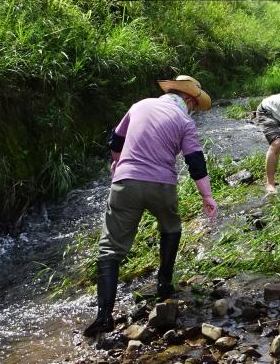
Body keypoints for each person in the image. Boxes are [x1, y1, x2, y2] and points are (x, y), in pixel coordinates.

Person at [83, 75, 218, 337]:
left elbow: (116, 140)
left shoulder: (139, 105)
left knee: (109, 250)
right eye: (194, 105)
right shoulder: (184, 121)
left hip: (126, 183)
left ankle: (104, 316)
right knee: (171, 228)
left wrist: (117, 162)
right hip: (161, 186)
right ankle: (164, 285)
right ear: (188, 99)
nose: (193, 110)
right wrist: (207, 197)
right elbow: (195, 162)